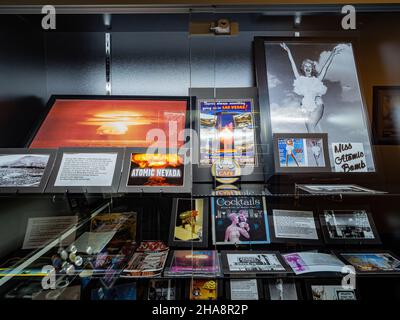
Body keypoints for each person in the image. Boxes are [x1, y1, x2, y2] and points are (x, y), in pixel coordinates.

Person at [280, 42, 344, 133]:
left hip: (316, 104)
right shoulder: (300, 79)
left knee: (311, 125)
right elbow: (292, 64)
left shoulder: (317, 79)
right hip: (305, 105)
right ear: (303, 68)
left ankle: (316, 145)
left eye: (309, 66)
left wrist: (332, 55)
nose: (308, 68)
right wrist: (288, 51)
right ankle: (315, 145)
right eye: (306, 66)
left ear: (312, 68)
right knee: (310, 130)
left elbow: (325, 67)